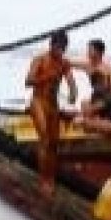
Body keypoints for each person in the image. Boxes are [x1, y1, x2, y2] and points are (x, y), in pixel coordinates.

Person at [25, 31, 77, 195]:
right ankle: (43, 180)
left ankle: (51, 178)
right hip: (38, 102)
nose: (60, 51)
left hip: (53, 105)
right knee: (45, 140)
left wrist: (73, 92)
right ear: (51, 45)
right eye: (58, 48)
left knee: (54, 144)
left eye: (63, 48)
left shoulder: (64, 63)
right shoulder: (39, 59)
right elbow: (28, 81)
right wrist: (48, 76)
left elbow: (71, 81)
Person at [75, 71, 111, 136]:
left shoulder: (109, 95)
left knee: (85, 120)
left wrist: (83, 117)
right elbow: (90, 111)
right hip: (105, 121)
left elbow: (93, 109)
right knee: (84, 104)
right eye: (95, 84)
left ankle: (89, 126)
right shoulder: (95, 95)